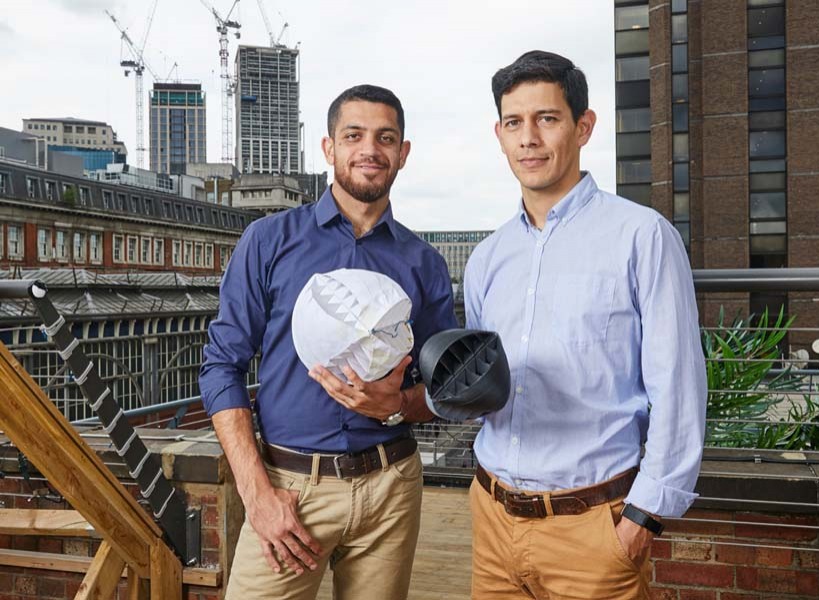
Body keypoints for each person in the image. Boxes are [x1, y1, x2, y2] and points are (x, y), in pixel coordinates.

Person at [464, 50, 707, 599]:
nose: (528, 138)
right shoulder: (486, 258)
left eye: (546, 119)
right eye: (513, 122)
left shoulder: (642, 237)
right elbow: (480, 385)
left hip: (596, 529)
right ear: (499, 135)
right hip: (492, 520)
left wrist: (644, 516)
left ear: (584, 126)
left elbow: (679, 386)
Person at [199, 84, 457, 599]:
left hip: (390, 490)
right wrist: (258, 496)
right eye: (353, 134)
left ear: (402, 154)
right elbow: (221, 367)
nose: (370, 149)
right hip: (290, 489)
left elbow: (444, 390)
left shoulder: (423, 262)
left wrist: (399, 404)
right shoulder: (269, 241)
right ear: (328, 148)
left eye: (386, 138)